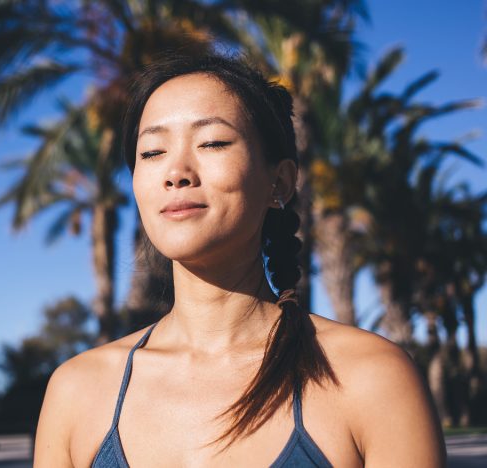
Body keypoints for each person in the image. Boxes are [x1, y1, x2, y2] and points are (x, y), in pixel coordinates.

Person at [34, 53, 446, 467]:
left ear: (279, 181)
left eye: (212, 142)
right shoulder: (77, 391)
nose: (176, 172)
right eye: (153, 151)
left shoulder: (371, 378)